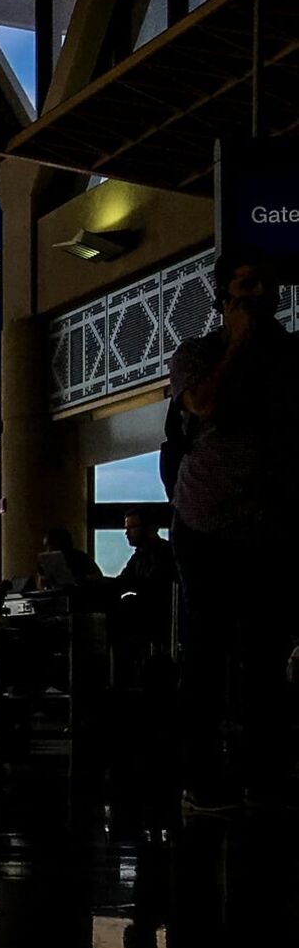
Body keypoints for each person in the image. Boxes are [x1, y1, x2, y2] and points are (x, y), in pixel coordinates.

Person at [167, 248, 299, 811]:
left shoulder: (292, 358)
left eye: (268, 285)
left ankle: (264, 772)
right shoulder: (198, 354)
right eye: (248, 284)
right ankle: (201, 775)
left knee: (265, 656)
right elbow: (204, 403)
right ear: (225, 296)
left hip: (271, 525)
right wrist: (241, 341)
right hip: (207, 522)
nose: (261, 295)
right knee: (207, 650)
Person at [105, 507, 176, 696]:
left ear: (150, 528)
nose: (126, 532)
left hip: (157, 617)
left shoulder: (161, 553)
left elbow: (138, 584)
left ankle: (118, 682)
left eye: (132, 527)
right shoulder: (142, 554)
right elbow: (124, 583)